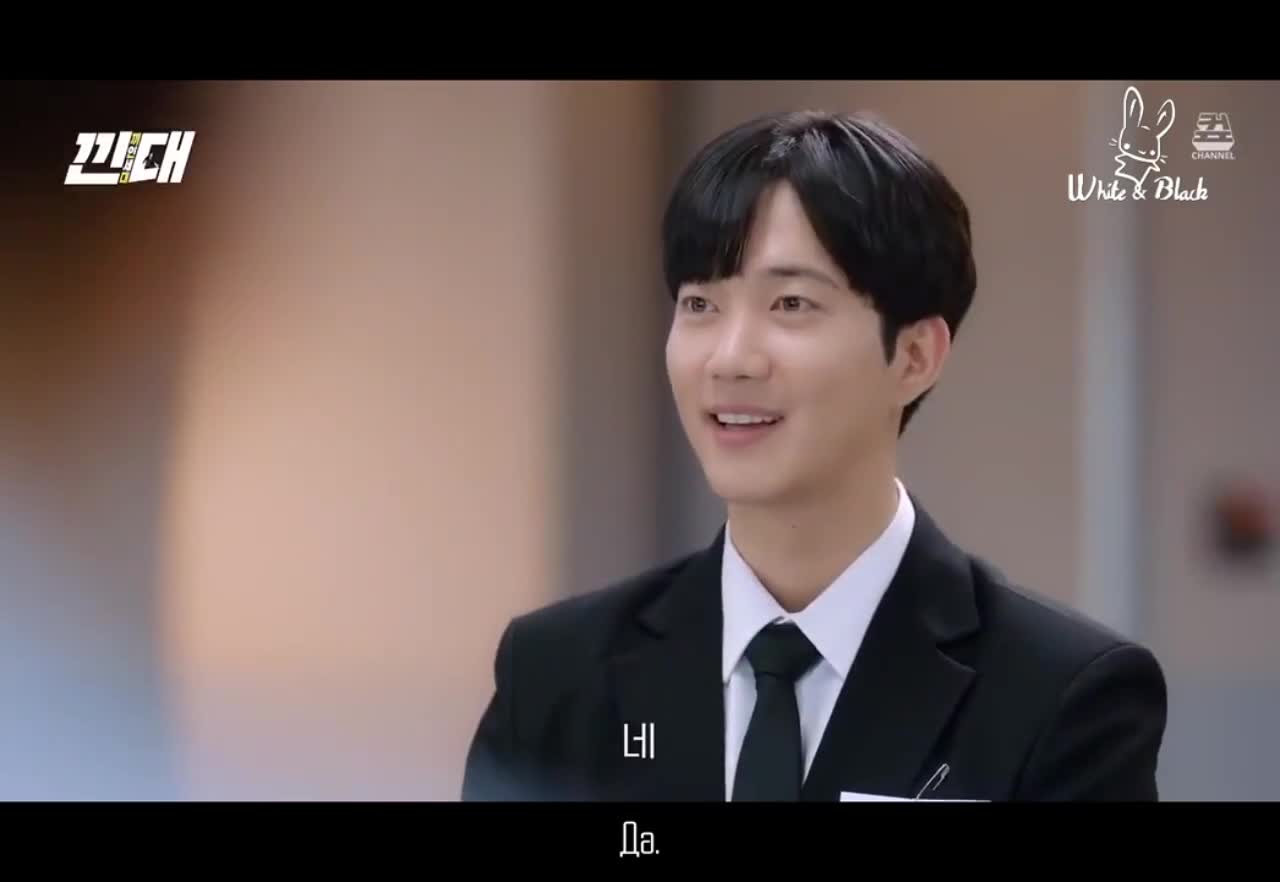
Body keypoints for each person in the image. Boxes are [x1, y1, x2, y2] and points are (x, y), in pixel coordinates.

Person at [461, 109, 1167, 802]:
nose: (730, 358)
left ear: (914, 356)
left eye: (791, 304)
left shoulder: (1061, 698)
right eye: (700, 305)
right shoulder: (557, 677)